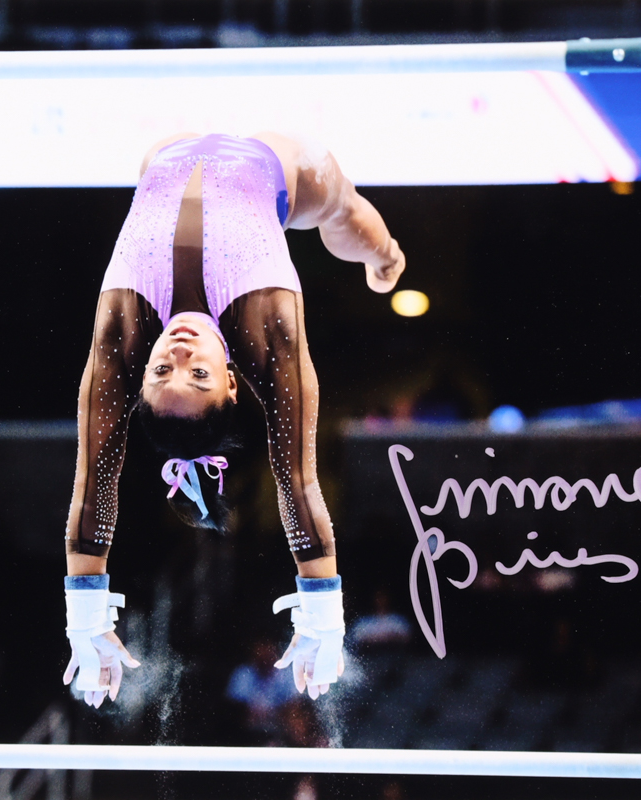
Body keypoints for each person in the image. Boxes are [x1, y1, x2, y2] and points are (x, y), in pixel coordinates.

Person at [62, 132, 405, 708]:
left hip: (165, 154)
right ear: (231, 383)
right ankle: (388, 254)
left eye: (160, 373)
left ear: (138, 376)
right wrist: (322, 610)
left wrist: (84, 614)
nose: (179, 353)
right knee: (338, 204)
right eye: (196, 376)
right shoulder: (267, 327)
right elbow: (298, 480)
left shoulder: (121, 329)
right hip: (273, 166)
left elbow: (92, 479)